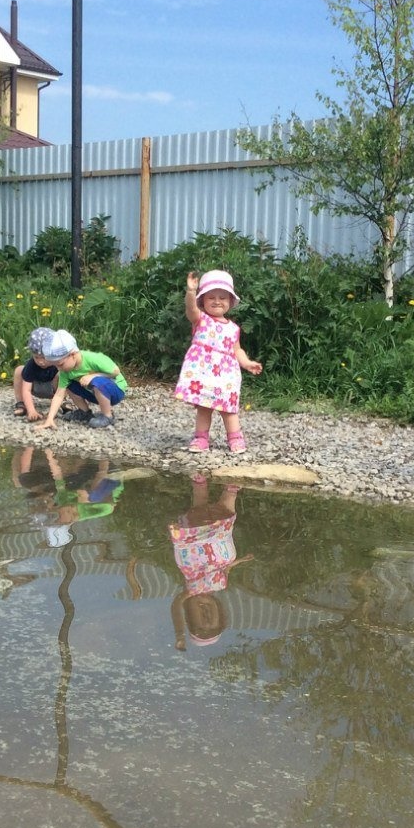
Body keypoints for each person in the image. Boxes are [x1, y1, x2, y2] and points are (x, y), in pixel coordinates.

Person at [173, 270, 263, 454]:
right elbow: (191, 310)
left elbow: (236, 349)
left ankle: (235, 438)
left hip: (226, 375)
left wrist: (246, 363)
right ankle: (201, 438)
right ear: (203, 301)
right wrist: (191, 292)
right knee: (204, 406)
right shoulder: (201, 320)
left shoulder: (233, 328)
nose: (217, 301)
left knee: (228, 409)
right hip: (204, 373)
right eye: (211, 297)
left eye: (222, 297)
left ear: (230, 301)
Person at [168, 475, 252, 649]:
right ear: (219, 611)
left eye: (201, 619)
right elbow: (226, 569)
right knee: (226, 513)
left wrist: (179, 635)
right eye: (211, 618)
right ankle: (231, 489)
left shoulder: (188, 593)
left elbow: (175, 609)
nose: (206, 614)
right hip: (220, 543)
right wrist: (241, 561)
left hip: (194, 548)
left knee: (198, 511)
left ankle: (200, 484)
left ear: (189, 613)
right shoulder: (221, 584)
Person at [34, 329, 129, 430]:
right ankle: (85, 412)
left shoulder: (92, 358)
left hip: (116, 391)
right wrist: (50, 419)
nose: (59, 369)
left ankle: (108, 416)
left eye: (60, 364)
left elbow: (116, 371)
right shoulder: (65, 371)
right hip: (94, 394)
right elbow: (59, 394)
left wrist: (94, 376)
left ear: (73, 354)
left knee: (97, 381)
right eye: (56, 366)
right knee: (69, 385)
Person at [11, 326, 65, 422]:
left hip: (54, 389)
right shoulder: (31, 365)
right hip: (35, 387)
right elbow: (26, 390)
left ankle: (62, 403)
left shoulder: (58, 362)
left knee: (63, 373)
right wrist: (31, 411)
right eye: (36, 357)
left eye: (43, 357)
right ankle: (21, 404)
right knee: (19, 370)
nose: (41, 362)